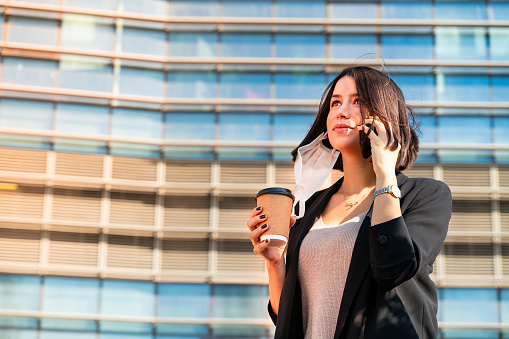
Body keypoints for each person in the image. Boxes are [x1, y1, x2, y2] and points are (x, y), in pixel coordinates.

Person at [247, 66, 452, 338]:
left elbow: (393, 268)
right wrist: (275, 262)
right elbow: (289, 316)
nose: (342, 111)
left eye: (358, 101)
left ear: (384, 117)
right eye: (335, 103)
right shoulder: (309, 207)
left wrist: (385, 173)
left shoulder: (425, 196)